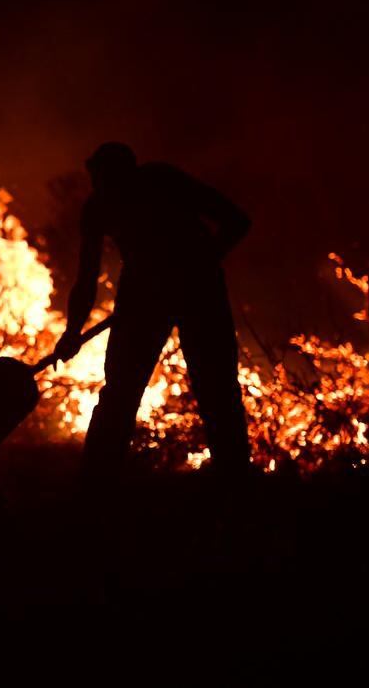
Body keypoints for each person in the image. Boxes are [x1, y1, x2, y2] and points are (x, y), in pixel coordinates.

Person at [53, 142, 252, 480]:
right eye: (99, 181)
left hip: (198, 292)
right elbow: (86, 280)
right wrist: (72, 332)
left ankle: (234, 482)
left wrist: (202, 261)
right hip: (142, 296)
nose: (106, 188)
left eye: (111, 180)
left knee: (216, 389)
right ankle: (95, 486)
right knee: (119, 393)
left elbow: (236, 220)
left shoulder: (163, 180)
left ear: (130, 173)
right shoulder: (98, 207)